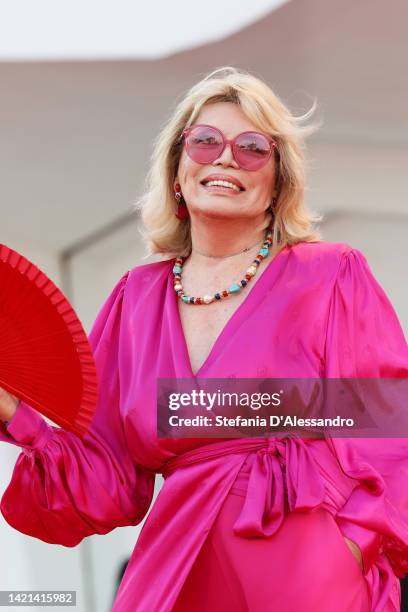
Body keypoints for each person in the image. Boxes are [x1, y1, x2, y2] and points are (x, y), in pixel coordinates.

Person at [0, 66, 407, 612]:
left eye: (252, 148)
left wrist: (352, 547)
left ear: (277, 183)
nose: (225, 158)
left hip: (306, 567)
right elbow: (108, 476)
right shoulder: (134, 298)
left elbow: (389, 419)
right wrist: (16, 417)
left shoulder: (328, 274)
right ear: (177, 168)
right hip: (178, 563)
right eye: (206, 141)